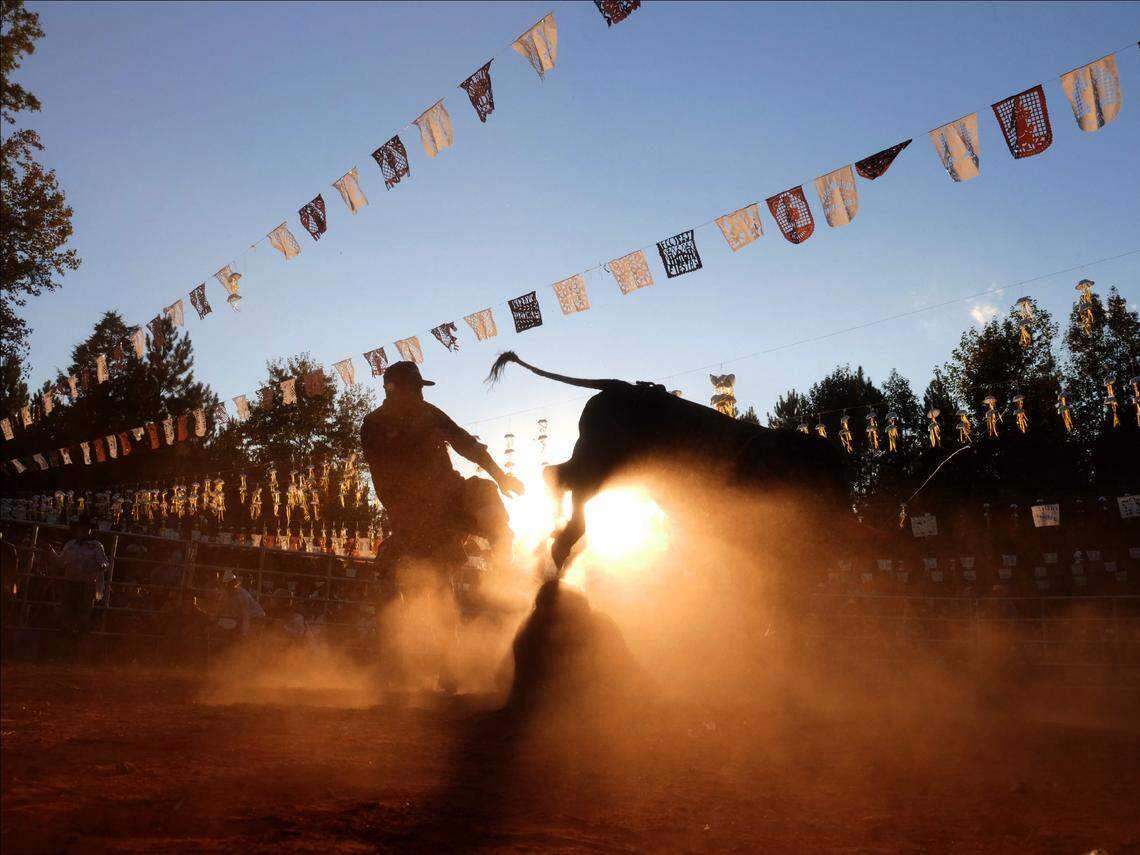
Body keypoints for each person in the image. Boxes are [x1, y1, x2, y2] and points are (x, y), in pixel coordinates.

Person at [361, 361, 524, 569]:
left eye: (420, 389)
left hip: (449, 494)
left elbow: (467, 445)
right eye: (415, 388)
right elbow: (382, 476)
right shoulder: (374, 426)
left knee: (484, 491)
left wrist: (500, 477)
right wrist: (404, 516)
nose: (420, 394)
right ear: (395, 391)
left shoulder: (429, 413)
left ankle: (503, 567)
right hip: (412, 509)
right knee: (434, 569)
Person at [48, 515, 111, 651]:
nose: (82, 530)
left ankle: (76, 649)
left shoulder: (95, 546)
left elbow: (105, 564)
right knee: (67, 614)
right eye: (80, 528)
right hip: (72, 583)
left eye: (85, 528)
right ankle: (69, 649)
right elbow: (60, 562)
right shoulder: (71, 544)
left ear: (89, 530)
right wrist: (50, 552)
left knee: (82, 616)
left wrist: (97, 567)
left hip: (86, 585)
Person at [213, 569, 265, 639]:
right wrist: (214, 622)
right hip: (243, 617)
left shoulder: (242, 595)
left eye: (230, 584)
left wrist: (244, 633)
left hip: (256, 616)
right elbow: (219, 610)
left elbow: (246, 615)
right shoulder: (224, 595)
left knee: (244, 635)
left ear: (234, 584)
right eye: (226, 585)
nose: (228, 587)